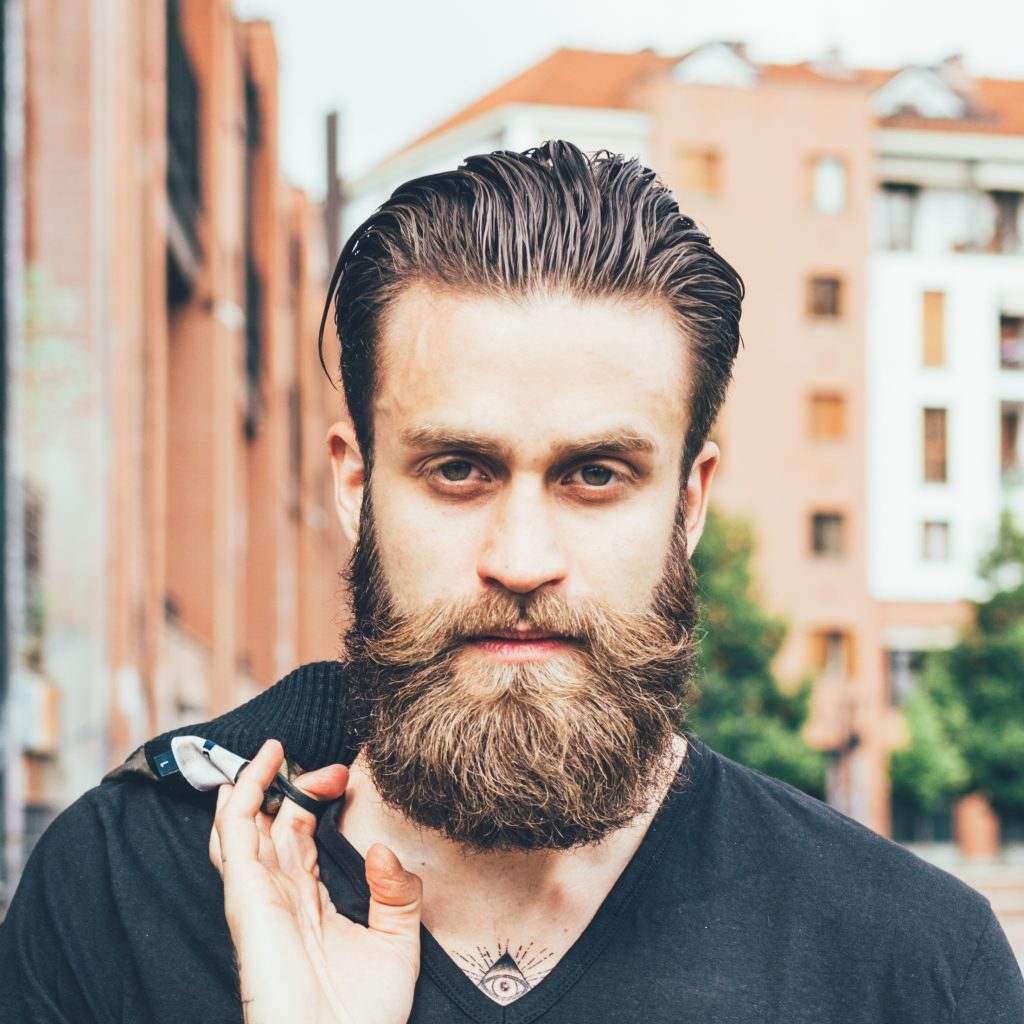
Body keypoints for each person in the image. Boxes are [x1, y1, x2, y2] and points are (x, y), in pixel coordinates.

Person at [1, 140, 1022, 1024]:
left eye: (596, 474)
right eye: (458, 469)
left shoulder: (910, 961)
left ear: (690, 500)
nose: (522, 557)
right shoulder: (121, 890)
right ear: (355, 486)